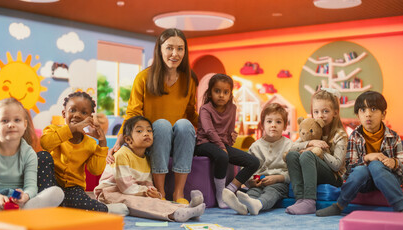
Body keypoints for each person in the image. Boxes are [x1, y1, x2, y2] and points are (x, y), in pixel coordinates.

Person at [109, 28, 198, 204]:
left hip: (178, 142)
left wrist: (215, 130)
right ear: (160, 49)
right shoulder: (143, 78)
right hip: (151, 142)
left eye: (180, 49)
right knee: (162, 125)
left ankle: (178, 193)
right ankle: (160, 192)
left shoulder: (190, 79)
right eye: (170, 48)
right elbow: (133, 112)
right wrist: (119, 140)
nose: (175, 53)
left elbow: (190, 113)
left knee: (185, 125)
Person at [316, 91, 403, 216]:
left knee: (376, 165)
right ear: (358, 116)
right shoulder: (354, 137)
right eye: (363, 110)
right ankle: (339, 205)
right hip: (365, 182)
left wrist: (394, 162)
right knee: (361, 170)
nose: (368, 114)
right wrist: (367, 157)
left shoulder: (393, 137)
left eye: (373, 109)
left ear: (383, 114)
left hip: (388, 179)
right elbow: (350, 167)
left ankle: (401, 208)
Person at [0, 98, 63, 214]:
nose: (11, 125)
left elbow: (31, 187)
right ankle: (15, 215)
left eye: (17, 120)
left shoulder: (29, 153)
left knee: (57, 192)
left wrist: (25, 196)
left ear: (25, 125)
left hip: (21, 203)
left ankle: (17, 213)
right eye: (4, 121)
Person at [95, 116, 205, 222]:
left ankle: (186, 207)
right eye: (139, 131)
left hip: (130, 191)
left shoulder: (147, 159)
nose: (146, 133)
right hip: (110, 193)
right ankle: (175, 214)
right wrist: (147, 191)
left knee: (151, 199)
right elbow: (126, 188)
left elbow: (147, 183)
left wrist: (155, 194)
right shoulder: (122, 155)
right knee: (141, 202)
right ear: (128, 139)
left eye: (149, 130)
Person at [40, 92, 128, 215]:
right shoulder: (53, 130)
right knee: (42, 157)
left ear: (90, 118)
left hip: (73, 189)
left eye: (83, 112)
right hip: (50, 186)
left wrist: (102, 142)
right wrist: (73, 129)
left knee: (82, 203)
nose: (77, 115)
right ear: (64, 114)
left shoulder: (90, 144)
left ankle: (106, 209)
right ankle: (48, 201)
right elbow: (45, 143)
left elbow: (95, 170)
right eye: (72, 110)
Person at [194, 74, 259, 209]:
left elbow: (229, 131)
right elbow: (209, 131)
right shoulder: (205, 109)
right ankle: (220, 196)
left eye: (225, 92)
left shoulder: (232, 108)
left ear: (230, 94)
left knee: (254, 162)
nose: (221, 95)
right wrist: (222, 146)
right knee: (222, 155)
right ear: (210, 93)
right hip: (204, 144)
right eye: (217, 91)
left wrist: (231, 138)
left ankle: (230, 190)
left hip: (221, 145)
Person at [285, 89, 348, 215]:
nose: (320, 115)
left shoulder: (340, 135)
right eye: (316, 111)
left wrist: (319, 151)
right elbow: (290, 149)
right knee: (292, 155)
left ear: (335, 112)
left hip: (334, 177)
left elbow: (336, 165)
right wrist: (310, 143)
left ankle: (309, 202)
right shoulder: (311, 129)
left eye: (325, 111)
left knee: (308, 155)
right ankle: (300, 200)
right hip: (313, 172)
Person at [223, 103, 293, 215]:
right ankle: (244, 207)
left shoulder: (290, 146)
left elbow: (294, 172)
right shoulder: (255, 146)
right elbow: (246, 168)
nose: (273, 125)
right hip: (258, 183)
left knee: (271, 193)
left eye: (278, 122)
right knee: (252, 192)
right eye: (269, 121)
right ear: (262, 125)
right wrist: (250, 181)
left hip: (278, 184)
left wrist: (279, 178)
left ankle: (258, 204)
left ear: (284, 126)